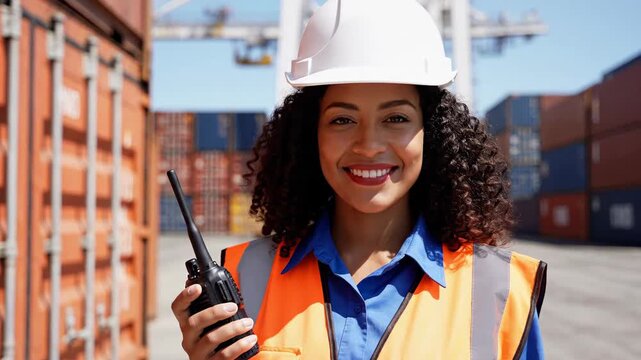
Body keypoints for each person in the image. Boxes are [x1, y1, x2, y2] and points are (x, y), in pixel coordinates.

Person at [171, 0, 547, 359]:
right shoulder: (242, 277)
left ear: (430, 132)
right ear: (310, 136)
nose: (369, 146)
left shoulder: (504, 291)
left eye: (396, 118)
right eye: (342, 120)